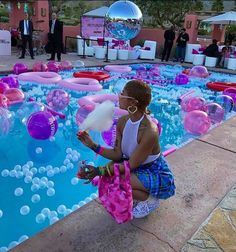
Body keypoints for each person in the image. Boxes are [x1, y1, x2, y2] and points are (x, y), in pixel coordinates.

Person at [77, 80, 176, 219]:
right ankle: (139, 192)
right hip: (136, 167)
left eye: (123, 93)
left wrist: (99, 171)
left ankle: (150, 200)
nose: (119, 96)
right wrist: (92, 145)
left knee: (117, 179)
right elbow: (117, 155)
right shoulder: (123, 122)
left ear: (133, 102)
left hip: (155, 172)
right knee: (110, 175)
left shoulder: (149, 130)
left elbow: (131, 165)